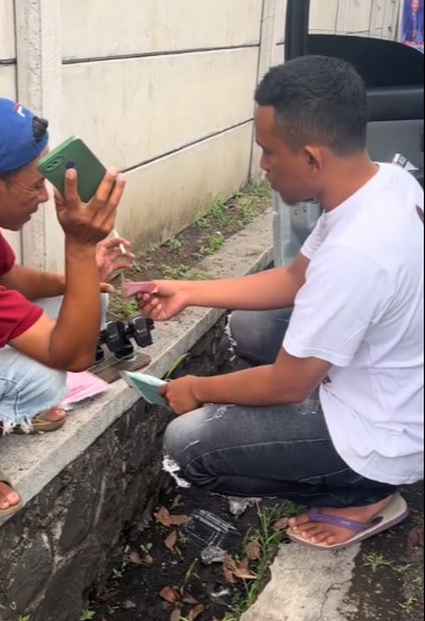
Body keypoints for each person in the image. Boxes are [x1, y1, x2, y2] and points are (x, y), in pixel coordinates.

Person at [139, 56, 424, 550]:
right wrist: (189, 291)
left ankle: (367, 492)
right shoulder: (386, 182)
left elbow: (289, 384)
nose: (264, 166)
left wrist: (199, 390)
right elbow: (296, 277)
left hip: (384, 434)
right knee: (251, 326)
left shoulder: (358, 251)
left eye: (270, 153)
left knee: (189, 446)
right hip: (395, 384)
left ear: (313, 158)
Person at [0, 97, 132, 520]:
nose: (45, 198)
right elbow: (73, 356)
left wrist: (81, 278)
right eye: (35, 185)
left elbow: (11, 278)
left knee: (89, 299)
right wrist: (80, 247)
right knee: (44, 374)